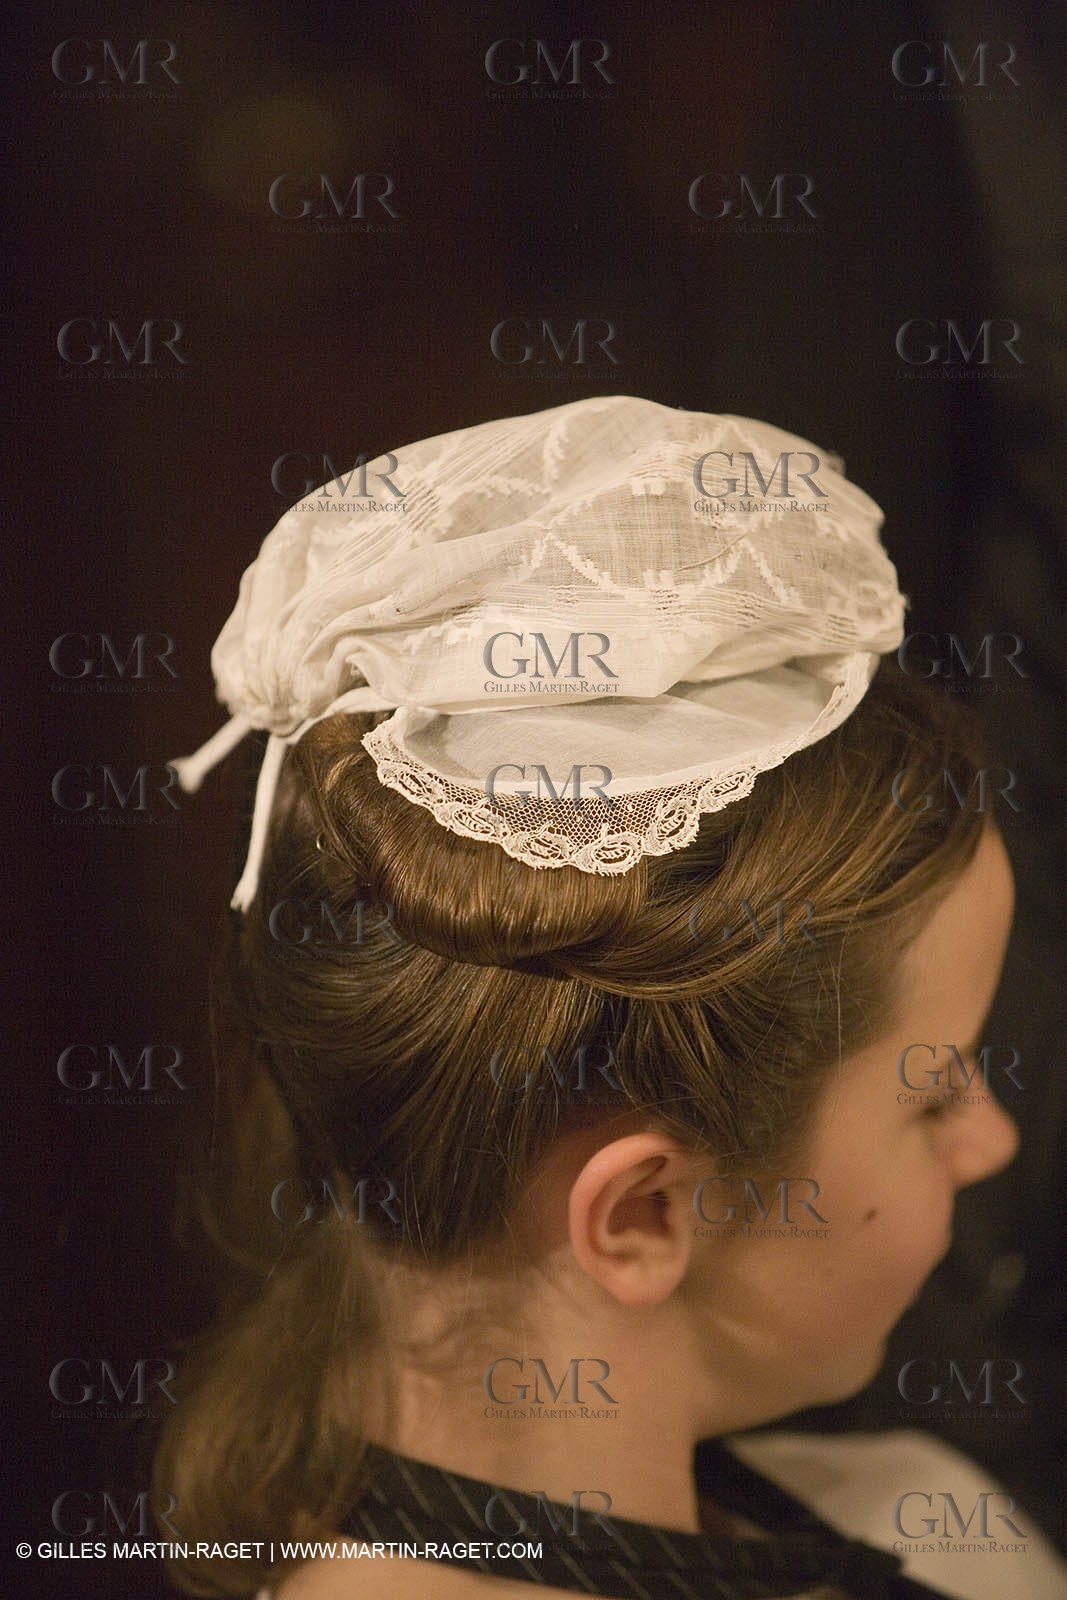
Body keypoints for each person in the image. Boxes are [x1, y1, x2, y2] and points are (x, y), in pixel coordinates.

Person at [157, 397, 1066, 1599]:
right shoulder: (945, 1533)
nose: (989, 1139)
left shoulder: (928, 1515)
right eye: (935, 1087)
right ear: (640, 1212)